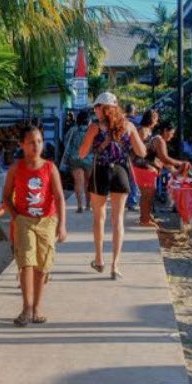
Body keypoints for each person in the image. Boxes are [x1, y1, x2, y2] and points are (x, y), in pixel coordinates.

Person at [3, 125, 67, 326]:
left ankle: (37, 308)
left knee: (42, 265)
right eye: (31, 142)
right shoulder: (16, 168)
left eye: (39, 141)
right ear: (22, 145)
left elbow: (59, 196)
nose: (36, 146)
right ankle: (26, 308)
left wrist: (62, 225)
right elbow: (6, 196)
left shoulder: (50, 167)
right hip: (24, 221)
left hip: (47, 222)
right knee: (26, 263)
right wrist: (16, 217)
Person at [78, 92, 146, 280]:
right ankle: (115, 266)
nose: (95, 111)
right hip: (120, 172)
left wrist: (93, 146)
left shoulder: (95, 127)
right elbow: (142, 151)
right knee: (118, 219)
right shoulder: (128, 126)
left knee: (99, 218)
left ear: (101, 108)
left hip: (100, 171)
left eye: (96, 108)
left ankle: (99, 260)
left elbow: (82, 154)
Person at [131, 110, 165, 227]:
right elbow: (139, 151)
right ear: (151, 119)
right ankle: (144, 219)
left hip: (146, 166)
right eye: (156, 119)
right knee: (147, 193)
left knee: (149, 193)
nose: (157, 122)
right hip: (142, 166)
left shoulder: (147, 130)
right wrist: (152, 163)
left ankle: (146, 215)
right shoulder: (142, 131)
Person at [62, 110, 93, 213]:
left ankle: (79, 206)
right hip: (89, 159)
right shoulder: (91, 131)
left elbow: (66, 142)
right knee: (88, 183)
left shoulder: (73, 130)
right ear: (88, 120)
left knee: (78, 182)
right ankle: (88, 205)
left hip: (75, 159)